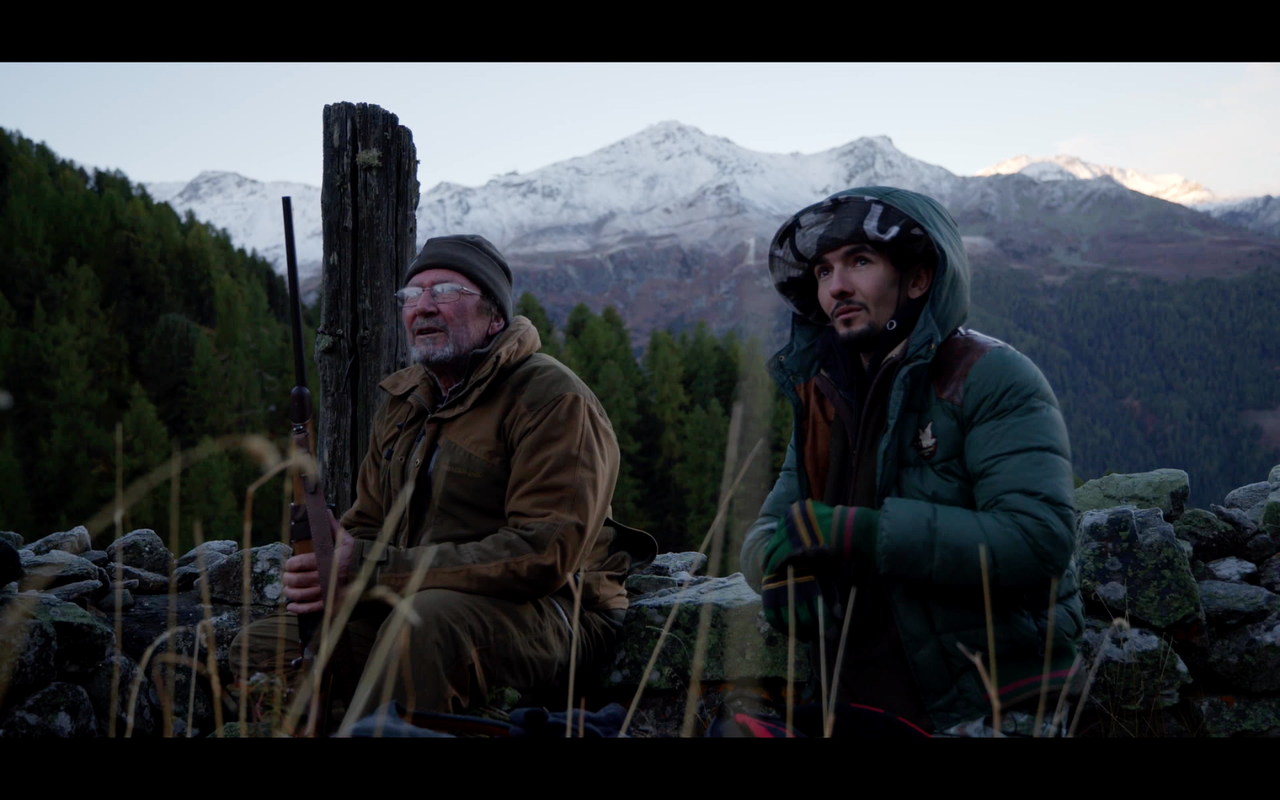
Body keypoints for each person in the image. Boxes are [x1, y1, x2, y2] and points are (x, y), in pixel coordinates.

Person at [230, 234, 655, 732]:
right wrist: (330, 561)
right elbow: (368, 521)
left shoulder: (552, 400)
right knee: (264, 647)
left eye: (446, 292)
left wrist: (369, 566)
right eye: (411, 297)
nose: (423, 308)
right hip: (419, 596)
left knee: (422, 628)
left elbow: (544, 555)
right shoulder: (404, 401)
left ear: (494, 316)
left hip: (555, 611)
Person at [738, 187, 1085, 737]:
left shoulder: (988, 378)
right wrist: (782, 570)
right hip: (848, 699)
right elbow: (764, 531)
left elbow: (1038, 537)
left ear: (919, 280)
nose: (837, 286)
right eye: (824, 271)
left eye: (859, 261)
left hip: (984, 702)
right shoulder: (824, 397)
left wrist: (867, 532)